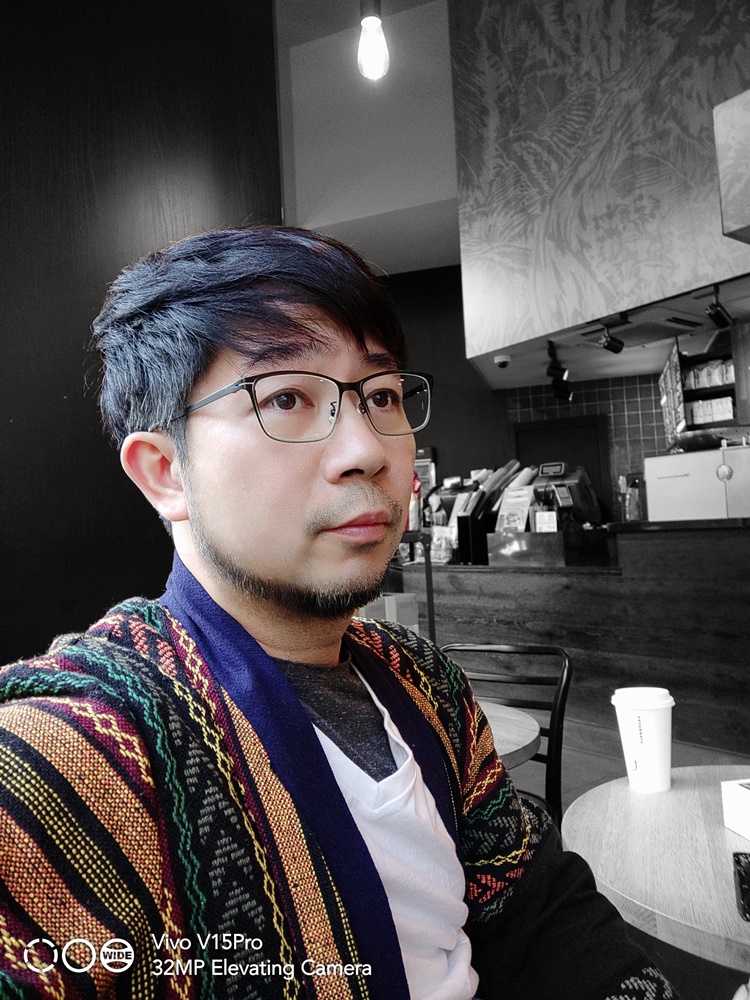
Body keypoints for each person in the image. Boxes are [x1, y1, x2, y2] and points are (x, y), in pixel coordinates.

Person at [0, 226, 686, 999]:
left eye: (381, 395)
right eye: (286, 397)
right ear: (165, 472)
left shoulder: (424, 680)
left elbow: (538, 908)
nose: (368, 449)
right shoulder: (75, 756)